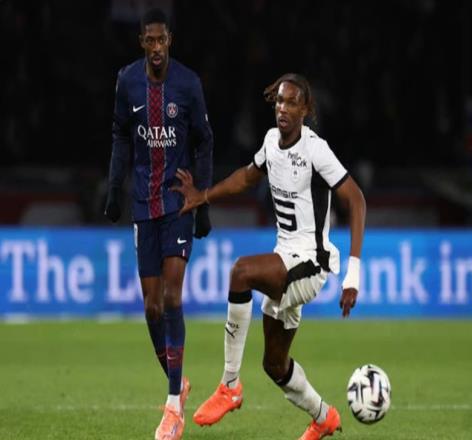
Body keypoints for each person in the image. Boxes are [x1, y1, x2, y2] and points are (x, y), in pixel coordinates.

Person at [172, 73, 366, 439]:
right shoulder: (270, 142)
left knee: (240, 273)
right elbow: (246, 178)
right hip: (284, 257)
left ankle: (229, 385)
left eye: (292, 102)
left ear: (305, 110)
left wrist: (352, 275)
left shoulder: (316, 150)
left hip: (310, 264)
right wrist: (203, 196)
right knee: (275, 365)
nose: (283, 108)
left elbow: (356, 200)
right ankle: (324, 417)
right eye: (279, 101)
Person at [104, 8, 213, 440]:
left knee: (171, 296)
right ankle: (177, 381)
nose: (155, 48)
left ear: (170, 41)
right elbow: (119, 135)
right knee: (151, 307)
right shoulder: (127, 80)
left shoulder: (188, 83)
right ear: (141, 43)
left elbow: (205, 142)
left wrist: (203, 199)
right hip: (143, 205)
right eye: (148, 41)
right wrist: (114, 188)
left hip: (177, 204)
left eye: (161, 40)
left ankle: (172, 407)